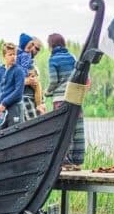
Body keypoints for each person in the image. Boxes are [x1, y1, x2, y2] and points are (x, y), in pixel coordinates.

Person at [46, 33, 85, 167]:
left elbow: (53, 81)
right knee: (77, 128)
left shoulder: (53, 60)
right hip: (75, 97)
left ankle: (64, 159)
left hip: (60, 99)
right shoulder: (72, 57)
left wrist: (47, 92)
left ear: (51, 45)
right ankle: (77, 159)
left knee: (62, 128)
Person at [0, 42, 26, 129]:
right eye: (10, 54)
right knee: (2, 133)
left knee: (15, 133)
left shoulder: (19, 71)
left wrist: (4, 103)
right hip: (0, 109)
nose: (13, 57)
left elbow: (18, 92)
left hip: (15, 108)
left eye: (14, 54)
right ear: (4, 56)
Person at [18, 33, 45, 120]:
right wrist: (25, 81)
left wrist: (42, 102)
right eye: (36, 48)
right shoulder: (17, 58)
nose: (37, 51)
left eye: (39, 49)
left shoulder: (32, 62)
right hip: (23, 99)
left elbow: (37, 83)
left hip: (32, 100)